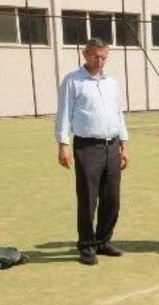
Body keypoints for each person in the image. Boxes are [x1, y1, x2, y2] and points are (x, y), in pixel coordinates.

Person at [55, 38, 129, 266]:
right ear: (85, 54)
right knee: (88, 199)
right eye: (95, 56)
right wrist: (63, 144)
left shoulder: (112, 83)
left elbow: (118, 114)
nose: (100, 61)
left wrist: (124, 144)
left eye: (104, 57)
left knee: (112, 198)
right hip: (87, 147)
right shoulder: (73, 81)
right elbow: (64, 113)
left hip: (112, 145)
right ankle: (86, 245)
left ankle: (103, 241)